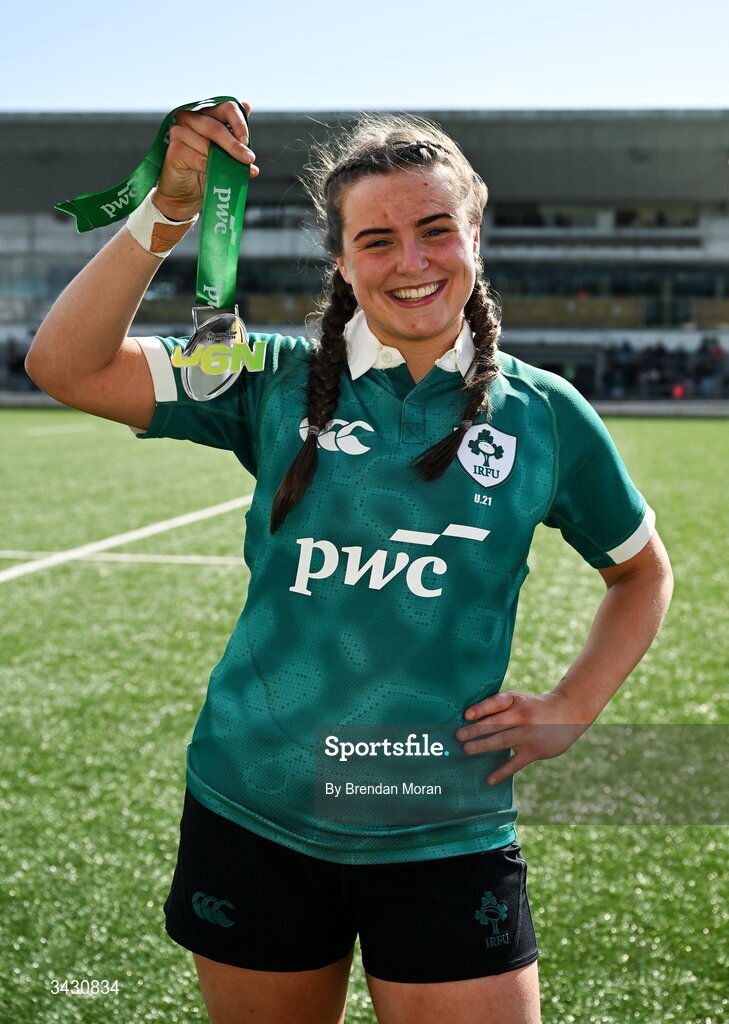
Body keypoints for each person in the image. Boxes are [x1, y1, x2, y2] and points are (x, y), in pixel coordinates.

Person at [25, 100, 673, 1024]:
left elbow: (641, 571)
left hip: (440, 819)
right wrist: (164, 214)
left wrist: (575, 705)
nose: (410, 261)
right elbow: (66, 365)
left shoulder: (548, 416)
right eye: (376, 239)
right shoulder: (262, 372)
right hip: (252, 804)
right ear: (340, 260)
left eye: (434, 230)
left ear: (474, 240)